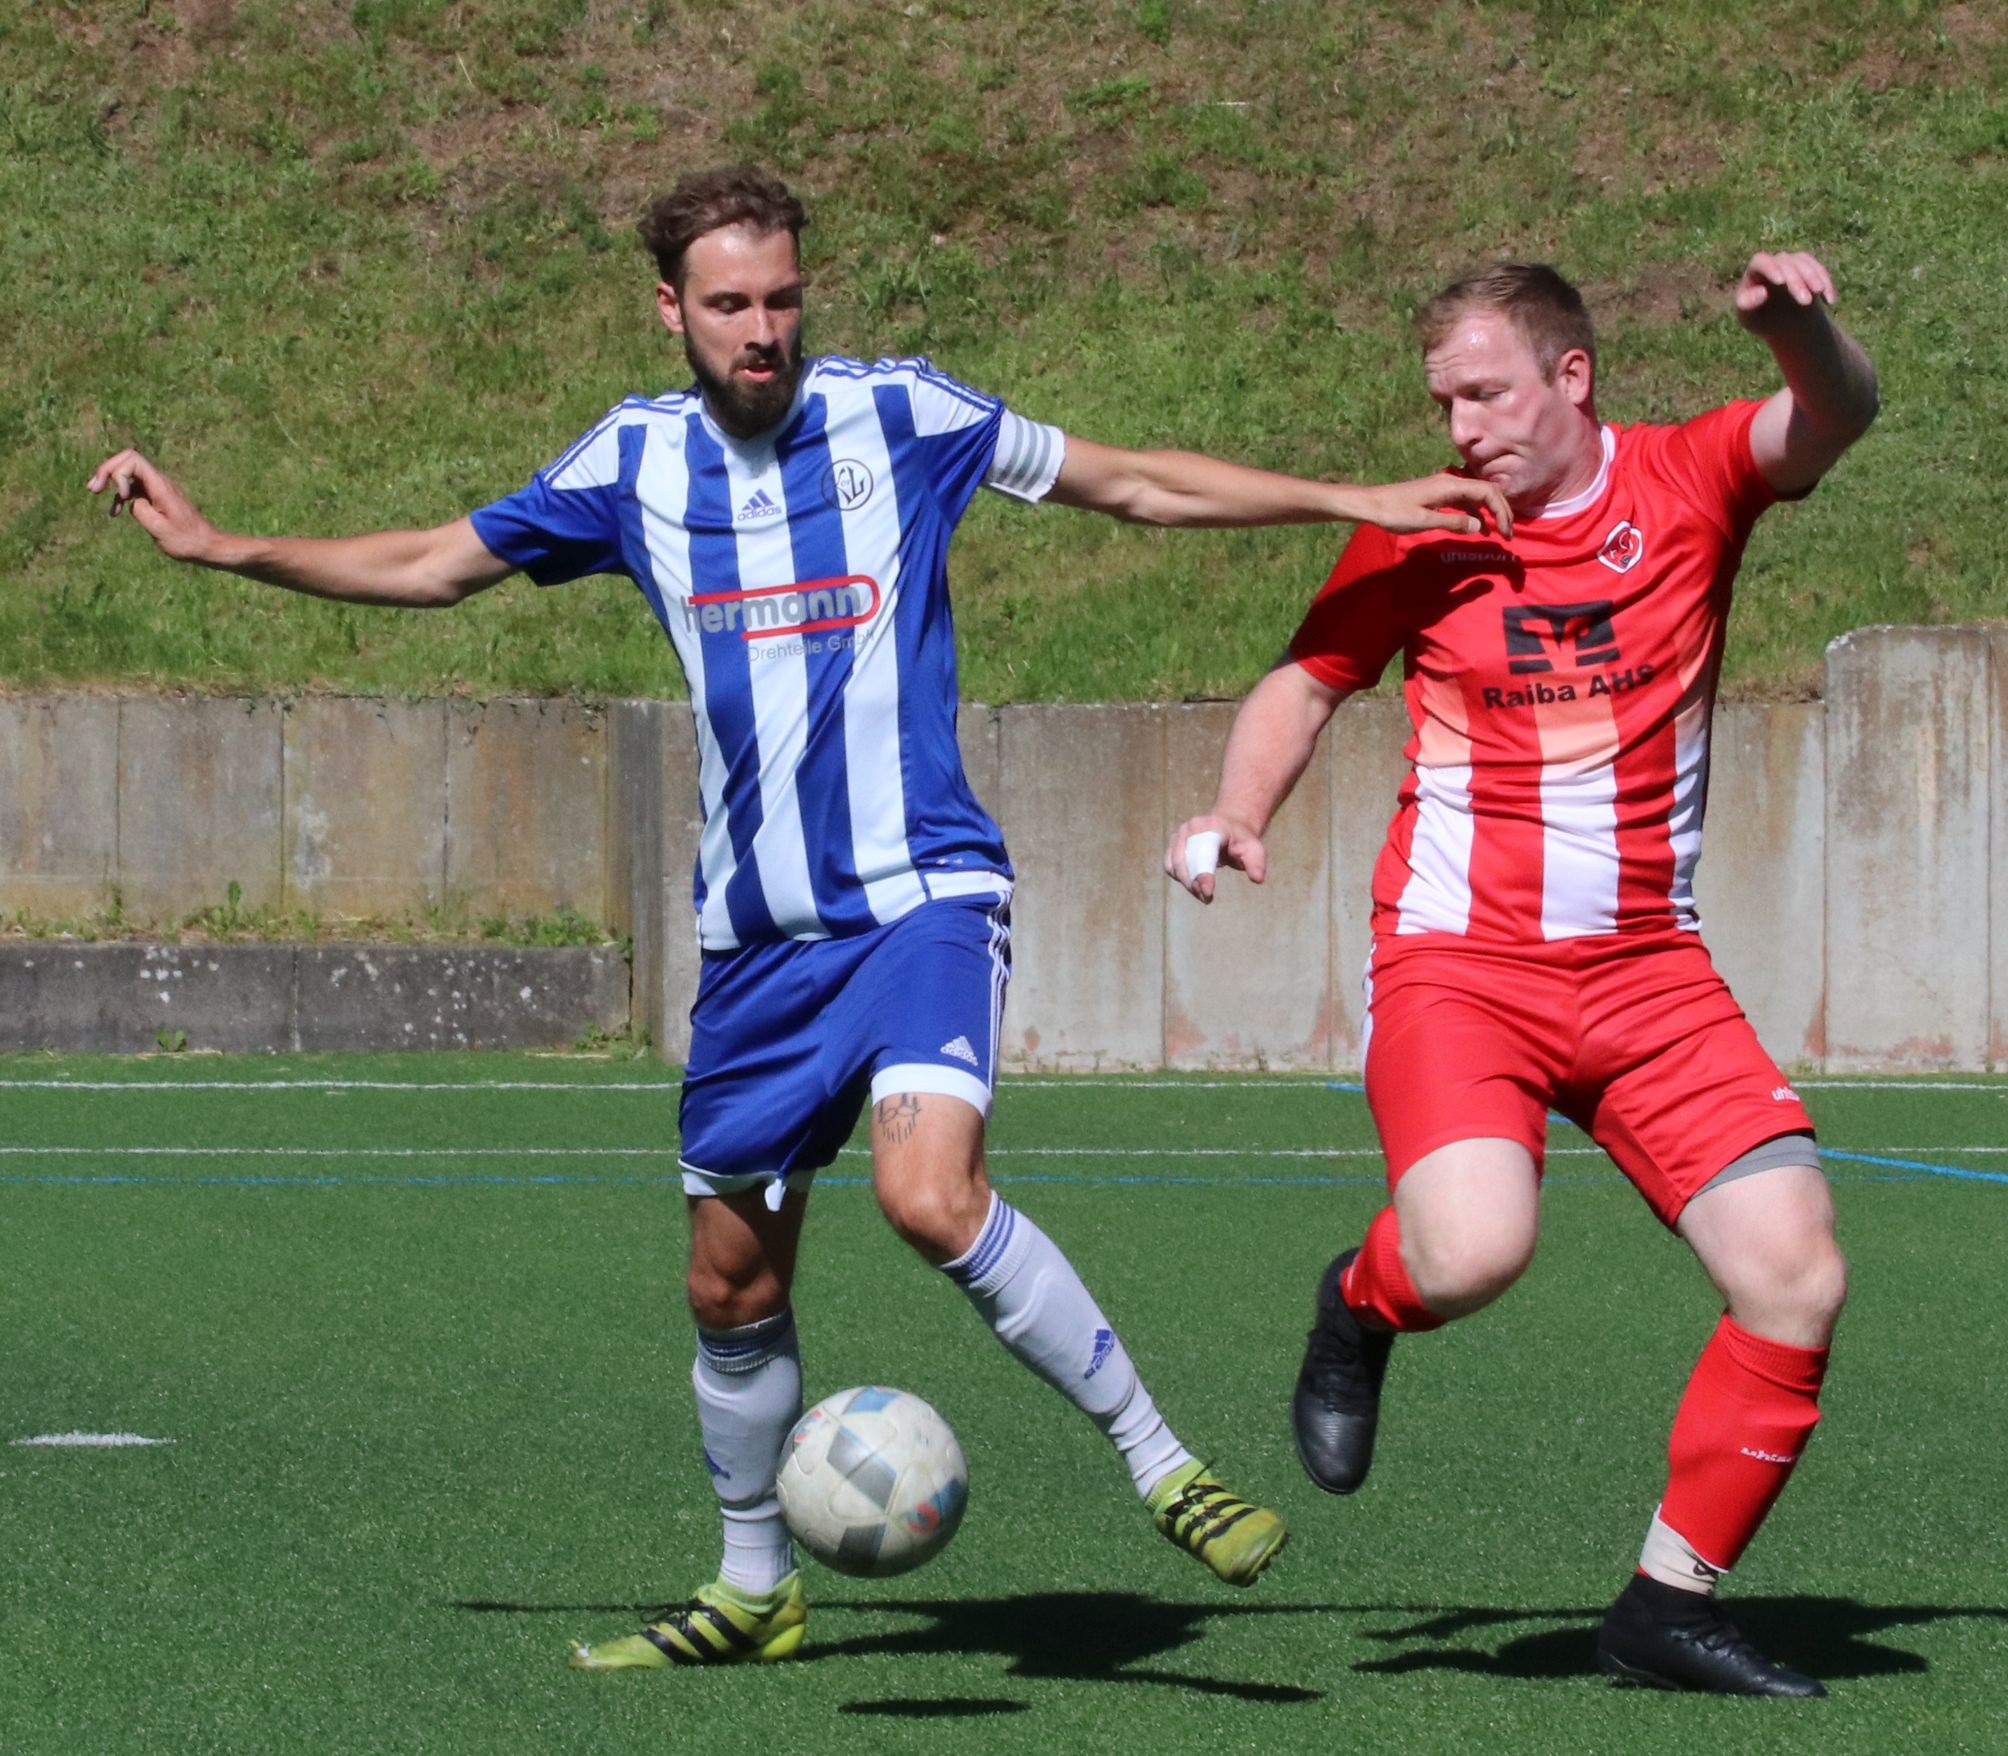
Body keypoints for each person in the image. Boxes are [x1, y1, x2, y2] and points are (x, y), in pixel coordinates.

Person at [90, 164, 1509, 1671]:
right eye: (727, 305)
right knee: (729, 1280)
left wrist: (1348, 497)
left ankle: (1167, 1468)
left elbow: (1134, 480)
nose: (760, 331)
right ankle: (754, 1584)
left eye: (780, 299)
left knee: (927, 1195)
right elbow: (438, 565)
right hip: (756, 945)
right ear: (670, 312)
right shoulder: (631, 463)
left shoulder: (901, 418)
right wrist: (225, 547)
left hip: (922, 902)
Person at [1167, 252, 1876, 1696]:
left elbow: (1835, 416)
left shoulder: (1688, 479)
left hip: (1648, 971)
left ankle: (1667, 1605)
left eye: (1486, 393)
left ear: (1572, 377)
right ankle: (1360, 1306)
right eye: (1444, 402)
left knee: (1796, 1275)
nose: (1462, 429)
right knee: (1473, 1253)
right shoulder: (1420, 533)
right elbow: (1305, 684)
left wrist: (1800, 329)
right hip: (1460, 969)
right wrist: (1240, 811)